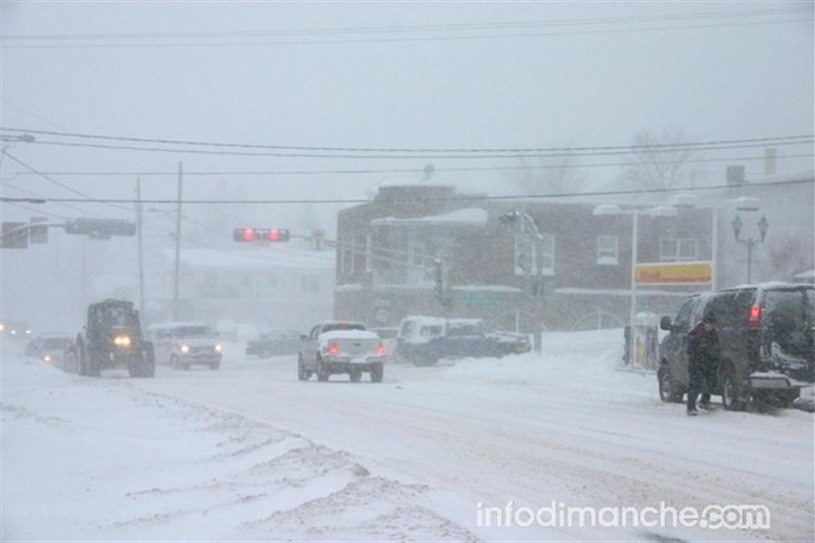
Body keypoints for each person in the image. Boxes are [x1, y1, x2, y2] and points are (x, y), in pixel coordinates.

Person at [686, 312, 721, 416]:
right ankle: (691, 407)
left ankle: (704, 401)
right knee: (695, 384)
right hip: (697, 363)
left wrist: (715, 357)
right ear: (705, 323)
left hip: (710, 362)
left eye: (713, 324)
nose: (711, 327)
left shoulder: (714, 334)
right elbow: (691, 349)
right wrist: (701, 351)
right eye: (709, 324)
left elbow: (716, 346)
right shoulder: (697, 333)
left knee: (712, 382)